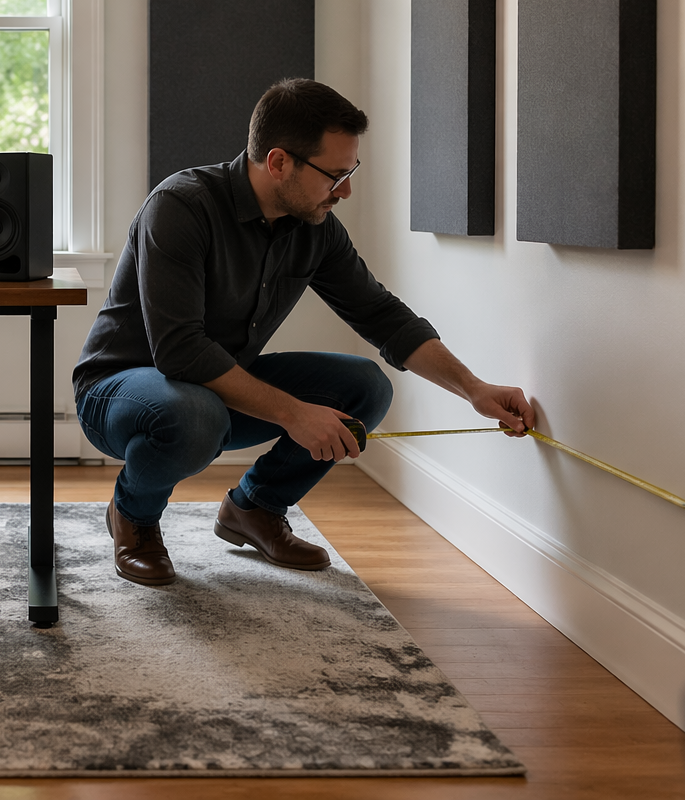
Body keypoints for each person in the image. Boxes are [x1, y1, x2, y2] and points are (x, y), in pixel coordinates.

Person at [74, 78, 536, 586]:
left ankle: (254, 507)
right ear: (278, 163)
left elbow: (383, 315)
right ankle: (133, 518)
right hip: (121, 392)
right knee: (193, 411)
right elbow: (180, 352)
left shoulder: (314, 227)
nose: (346, 190)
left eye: (350, 171)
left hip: (213, 391)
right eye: (335, 174)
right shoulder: (181, 207)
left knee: (366, 386)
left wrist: (473, 389)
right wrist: (295, 415)